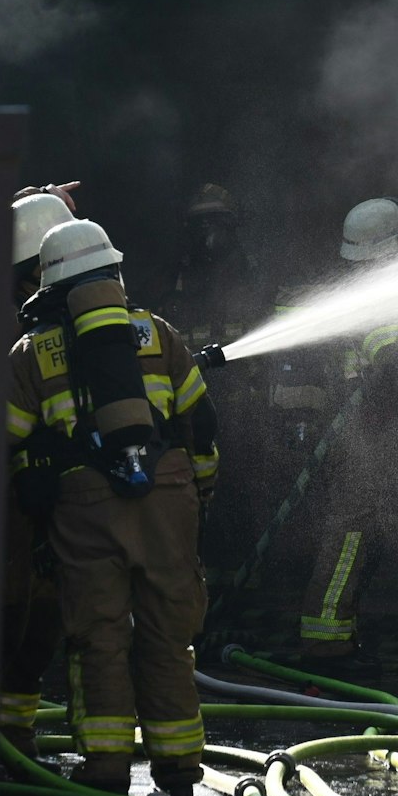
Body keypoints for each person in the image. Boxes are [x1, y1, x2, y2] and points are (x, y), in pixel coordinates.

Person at [4, 219, 217, 796]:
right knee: (168, 636)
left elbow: (10, 436)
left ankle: (105, 767)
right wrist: (200, 487)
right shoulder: (160, 333)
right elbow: (201, 422)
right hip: (169, 496)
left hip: (85, 504)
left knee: (98, 634)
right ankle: (177, 769)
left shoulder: (31, 353)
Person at [289, 197, 398, 669]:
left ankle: (340, 630)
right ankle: (325, 636)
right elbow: (393, 360)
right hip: (364, 435)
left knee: (366, 533)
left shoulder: (363, 285)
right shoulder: (382, 292)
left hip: (363, 432)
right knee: (351, 531)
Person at [0, 187, 81, 758]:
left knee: (41, 627)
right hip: (8, 501)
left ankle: (13, 739)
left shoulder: (70, 321)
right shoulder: (4, 327)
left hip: (56, 500)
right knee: (10, 620)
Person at [156, 184, 263, 577]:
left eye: (217, 223)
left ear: (233, 226)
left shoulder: (252, 274)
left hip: (243, 403)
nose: (209, 234)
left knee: (240, 493)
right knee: (194, 496)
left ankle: (242, 576)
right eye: (201, 224)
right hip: (189, 406)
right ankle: (203, 576)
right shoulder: (175, 278)